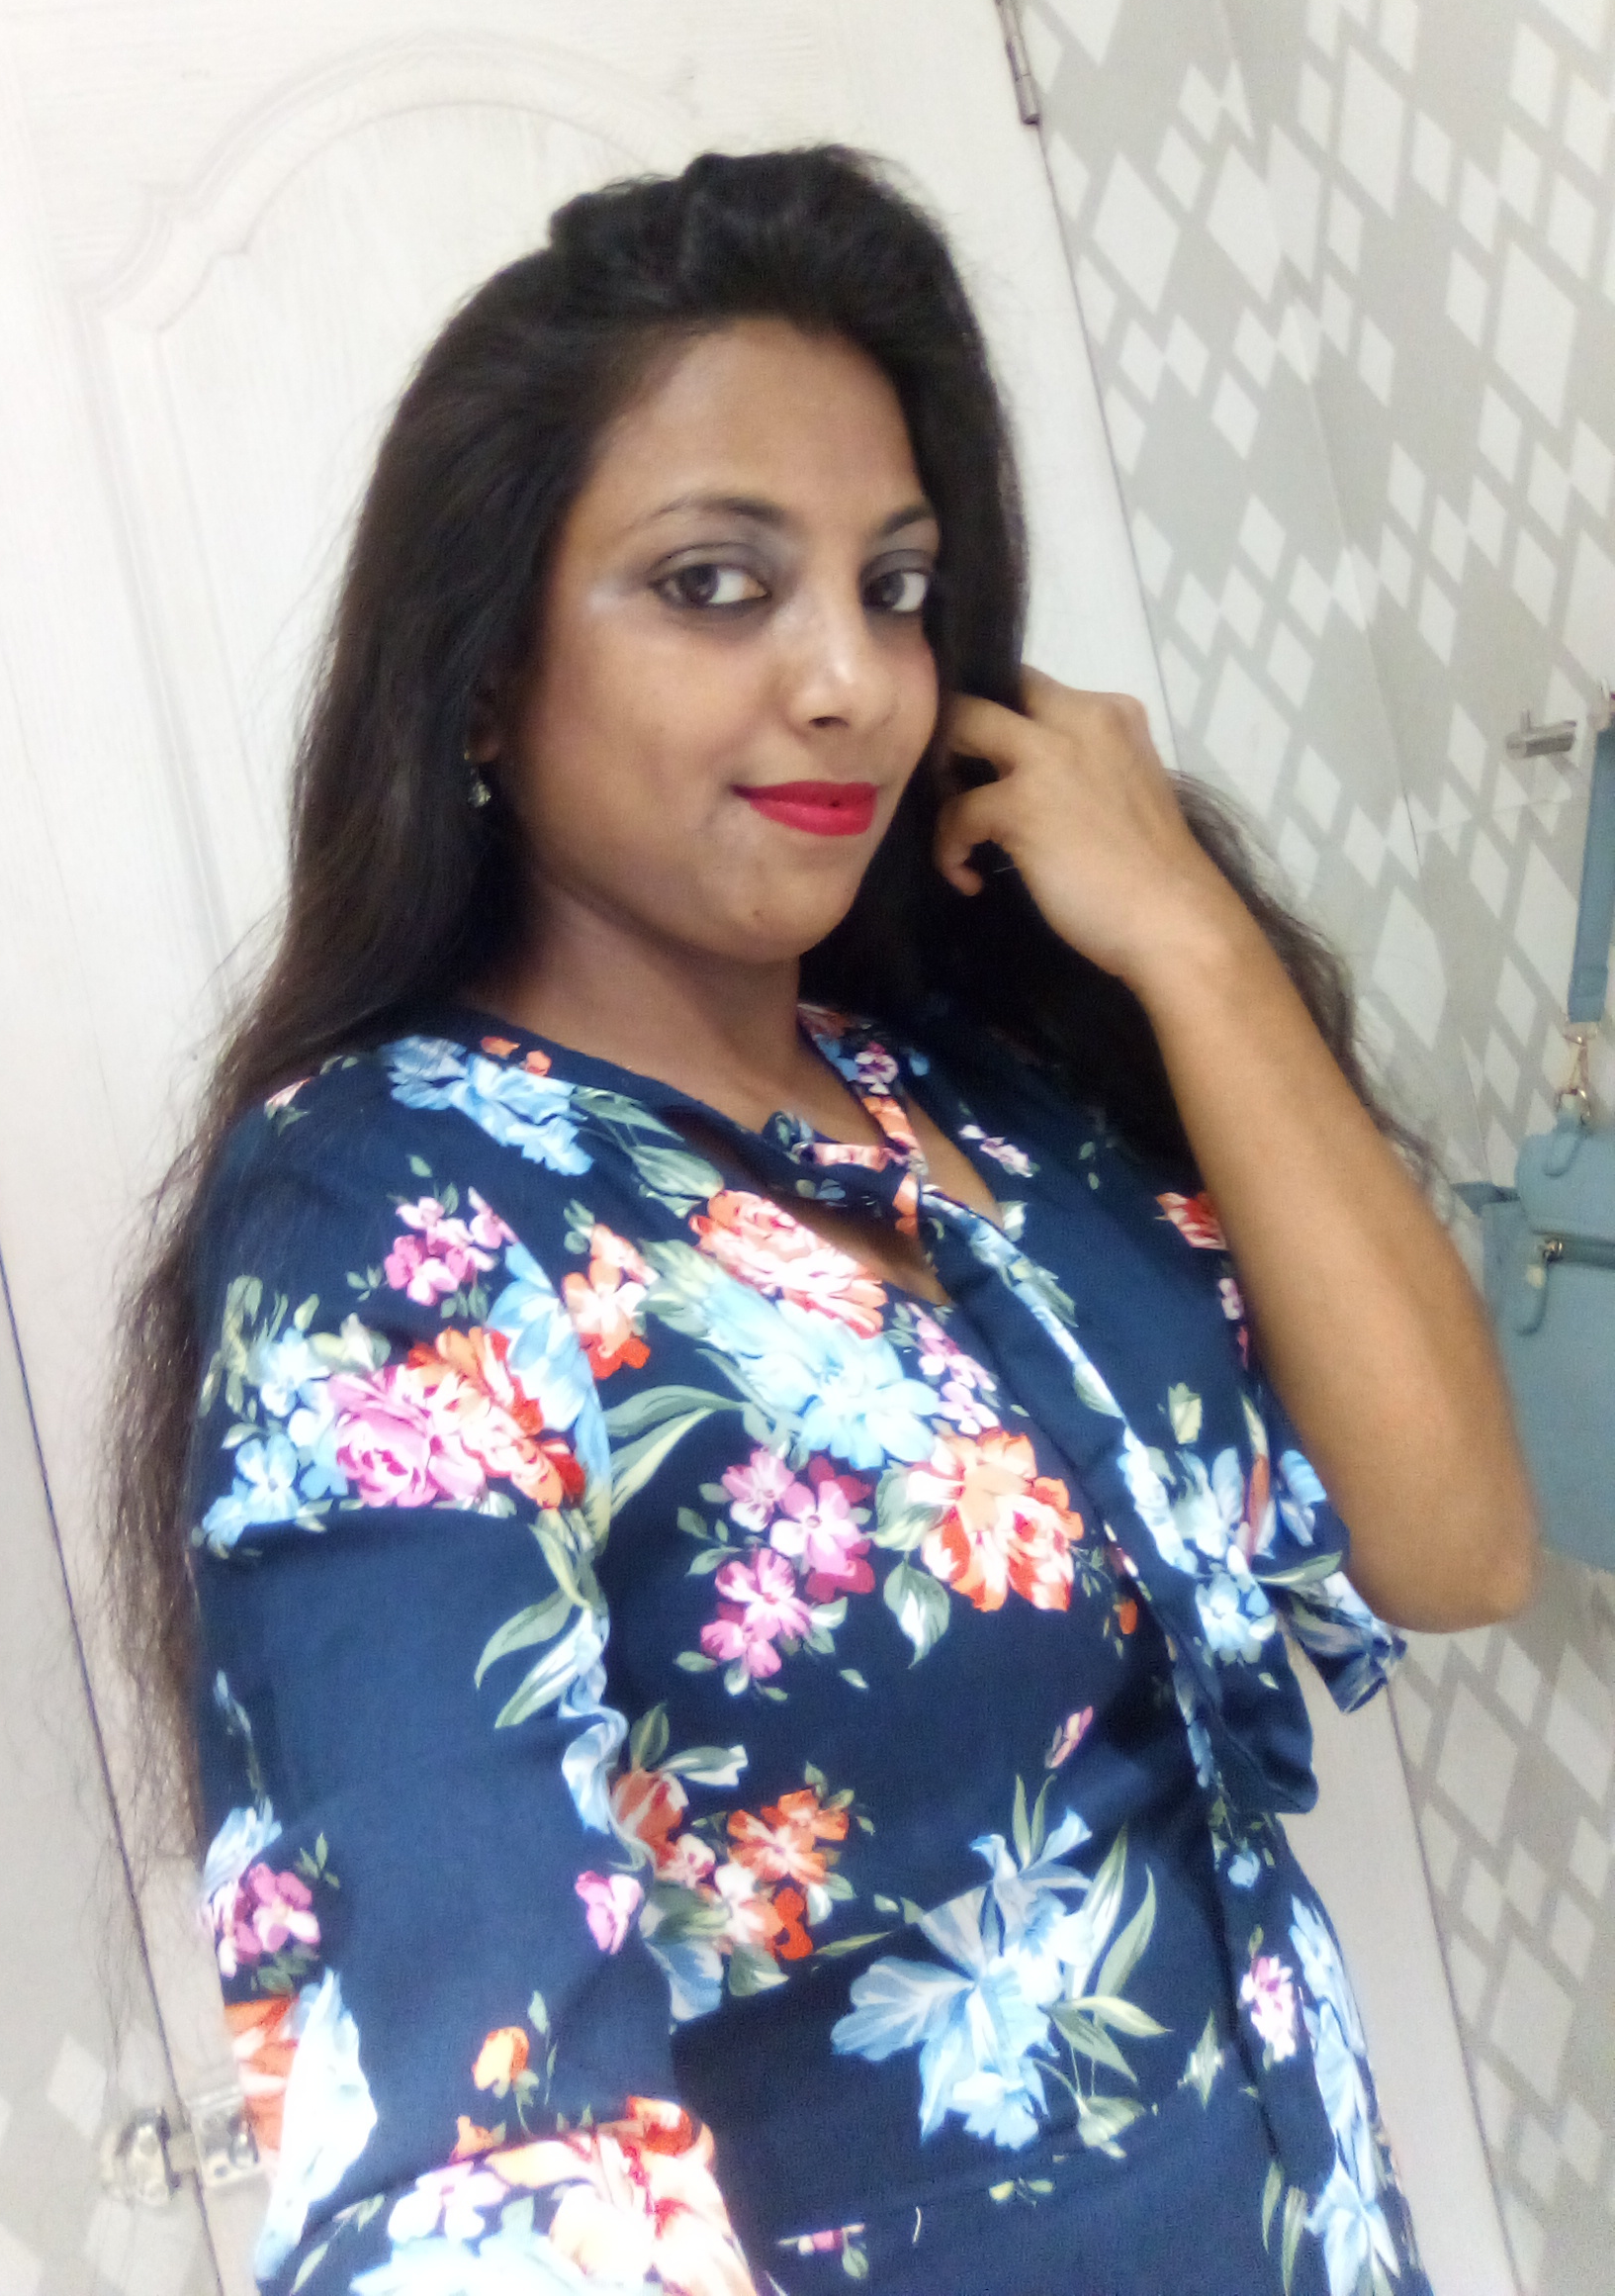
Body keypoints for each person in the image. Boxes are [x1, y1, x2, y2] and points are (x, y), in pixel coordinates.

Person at [110, 147, 1533, 2296]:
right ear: (482, 676)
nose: (852, 678)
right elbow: (480, 2121)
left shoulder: (971, 1096)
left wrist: (1189, 934)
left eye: (898, 585)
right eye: (715, 583)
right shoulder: (394, 1203)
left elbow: (1457, 1546)